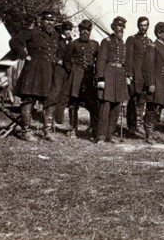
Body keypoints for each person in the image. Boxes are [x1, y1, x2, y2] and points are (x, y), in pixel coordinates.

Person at [9, 10, 60, 142]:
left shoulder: (55, 35)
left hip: (49, 72)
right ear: (41, 21)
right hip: (34, 71)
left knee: (51, 99)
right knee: (28, 100)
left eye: (53, 21)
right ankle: (26, 131)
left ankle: (47, 132)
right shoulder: (33, 32)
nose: (50, 23)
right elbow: (15, 40)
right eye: (48, 20)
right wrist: (24, 56)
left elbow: (57, 52)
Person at [96, 17, 130, 144]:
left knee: (116, 107)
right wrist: (101, 78)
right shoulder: (106, 41)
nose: (120, 29)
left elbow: (126, 62)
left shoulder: (123, 44)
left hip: (120, 76)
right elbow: (101, 61)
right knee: (105, 107)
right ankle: (101, 136)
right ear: (113, 27)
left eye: (122, 27)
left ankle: (110, 134)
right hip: (109, 74)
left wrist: (127, 76)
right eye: (118, 26)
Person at [63, 19, 99, 139]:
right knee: (74, 104)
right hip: (76, 77)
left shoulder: (95, 44)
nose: (85, 32)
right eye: (82, 29)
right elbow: (67, 62)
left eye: (87, 30)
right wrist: (73, 73)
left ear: (90, 31)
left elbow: (98, 61)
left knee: (93, 105)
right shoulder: (73, 44)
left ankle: (95, 129)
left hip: (89, 78)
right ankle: (73, 129)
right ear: (79, 30)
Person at [125, 16, 153, 138]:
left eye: (145, 25)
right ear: (138, 26)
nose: (143, 28)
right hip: (134, 74)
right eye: (141, 25)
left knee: (142, 101)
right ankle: (131, 126)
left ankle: (139, 125)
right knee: (132, 100)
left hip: (144, 76)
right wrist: (129, 74)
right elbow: (129, 58)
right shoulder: (132, 39)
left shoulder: (149, 41)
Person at [53, 20, 74, 126]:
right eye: (67, 29)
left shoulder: (71, 41)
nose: (68, 32)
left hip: (67, 70)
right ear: (62, 29)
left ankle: (59, 119)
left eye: (70, 29)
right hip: (59, 69)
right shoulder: (57, 40)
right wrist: (58, 61)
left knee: (65, 94)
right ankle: (52, 117)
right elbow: (51, 54)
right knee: (56, 91)